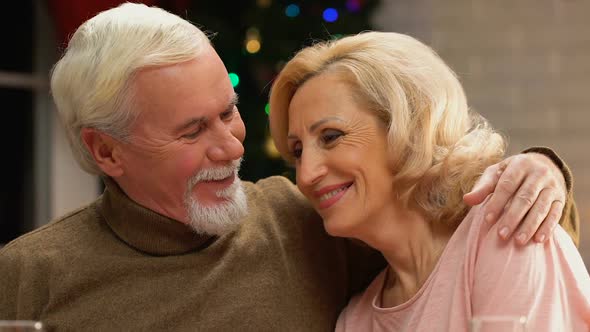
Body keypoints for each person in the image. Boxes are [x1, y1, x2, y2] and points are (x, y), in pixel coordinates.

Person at [0, 4, 578, 331]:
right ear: (106, 153)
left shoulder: (299, 220)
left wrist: (541, 168)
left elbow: (435, 210)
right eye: (193, 130)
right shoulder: (28, 276)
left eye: (228, 112)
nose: (230, 147)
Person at [268, 31, 589, 331]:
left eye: (331, 137)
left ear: (407, 129)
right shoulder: (356, 320)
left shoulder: (505, 230)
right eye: (297, 151)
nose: (306, 175)